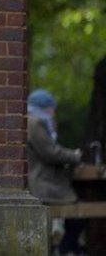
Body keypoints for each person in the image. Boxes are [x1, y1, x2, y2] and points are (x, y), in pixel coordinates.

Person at [27, 88, 85, 254]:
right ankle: (66, 248)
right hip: (44, 183)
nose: (53, 112)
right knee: (80, 212)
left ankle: (66, 247)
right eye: (51, 107)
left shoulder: (33, 121)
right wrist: (74, 156)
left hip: (43, 180)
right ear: (45, 107)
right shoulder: (35, 122)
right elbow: (50, 152)